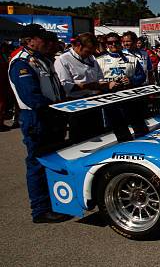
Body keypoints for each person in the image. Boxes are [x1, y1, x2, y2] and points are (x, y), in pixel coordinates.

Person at [8, 24, 71, 223]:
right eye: (42, 38)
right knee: (37, 163)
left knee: (53, 159)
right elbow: (31, 97)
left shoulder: (43, 60)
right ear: (30, 41)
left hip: (52, 114)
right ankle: (40, 209)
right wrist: (55, 109)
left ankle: (55, 202)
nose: (47, 42)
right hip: (37, 117)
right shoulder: (21, 63)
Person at [54, 32, 118, 142]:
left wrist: (108, 84)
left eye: (92, 51)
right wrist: (88, 86)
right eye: (87, 51)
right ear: (78, 46)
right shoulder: (63, 60)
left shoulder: (91, 58)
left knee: (98, 136)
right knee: (79, 140)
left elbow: (100, 78)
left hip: (94, 103)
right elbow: (65, 86)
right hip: (77, 104)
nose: (89, 54)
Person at [96, 34, 148, 141]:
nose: (113, 44)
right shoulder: (99, 60)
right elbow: (95, 81)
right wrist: (108, 84)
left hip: (130, 98)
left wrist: (131, 80)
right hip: (111, 99)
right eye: (110, 43)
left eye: (116, 42)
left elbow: (142, 76)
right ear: (106, 44)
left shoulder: (132, 59)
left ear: (120, 42)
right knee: (119, 130)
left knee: (140, 127)